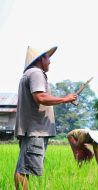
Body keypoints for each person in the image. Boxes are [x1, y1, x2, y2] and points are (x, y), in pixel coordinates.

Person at [14, 46, 77, 190]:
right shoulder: (36, 73)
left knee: (23, 167)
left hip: (32, 130)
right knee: (23, 170)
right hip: (36, 130)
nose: (50, 62)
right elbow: (40, 97)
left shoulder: (29, 74)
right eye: (48, 58)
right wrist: (65, 99)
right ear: (41, 58)